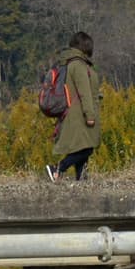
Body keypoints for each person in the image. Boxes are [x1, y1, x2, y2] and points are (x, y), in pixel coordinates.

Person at [46, 31, 100, 182]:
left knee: (82, 147)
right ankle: (58, 168)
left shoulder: (69, 63)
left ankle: (81, 178)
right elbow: (85, 92)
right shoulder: (78, 65)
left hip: (73, 112)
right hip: (80, 113)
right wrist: (90, 115)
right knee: (87, 148)